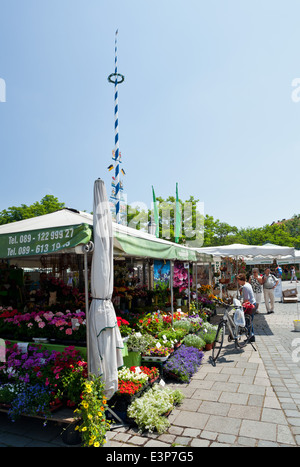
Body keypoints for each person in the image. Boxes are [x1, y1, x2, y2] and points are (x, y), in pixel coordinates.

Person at [236, 273, 256, 342]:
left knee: (247, 321)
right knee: (250, 321)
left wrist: (241, 305)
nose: (238, 282)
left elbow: (246, 300)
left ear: (242, 280)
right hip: (253, 304)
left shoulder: (245, 287)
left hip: (250, 305)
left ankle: (251, 336)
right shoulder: (247, 284)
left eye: (238, 281)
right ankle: (251, 336)